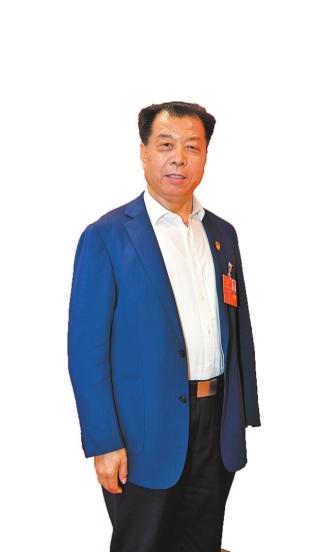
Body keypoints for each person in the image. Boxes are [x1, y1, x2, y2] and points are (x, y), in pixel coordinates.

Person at [67, 100, 261, 552]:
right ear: (143, 152)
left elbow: (240, 330)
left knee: (203, 543)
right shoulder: (107, 236)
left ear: (205, 155)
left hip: (216, 423)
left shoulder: (222, 234)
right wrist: (104, 441)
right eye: (166, 145)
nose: (179, 158)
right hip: (143, 432)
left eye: (192, 147)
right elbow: (86, 351)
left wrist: (242, 414)